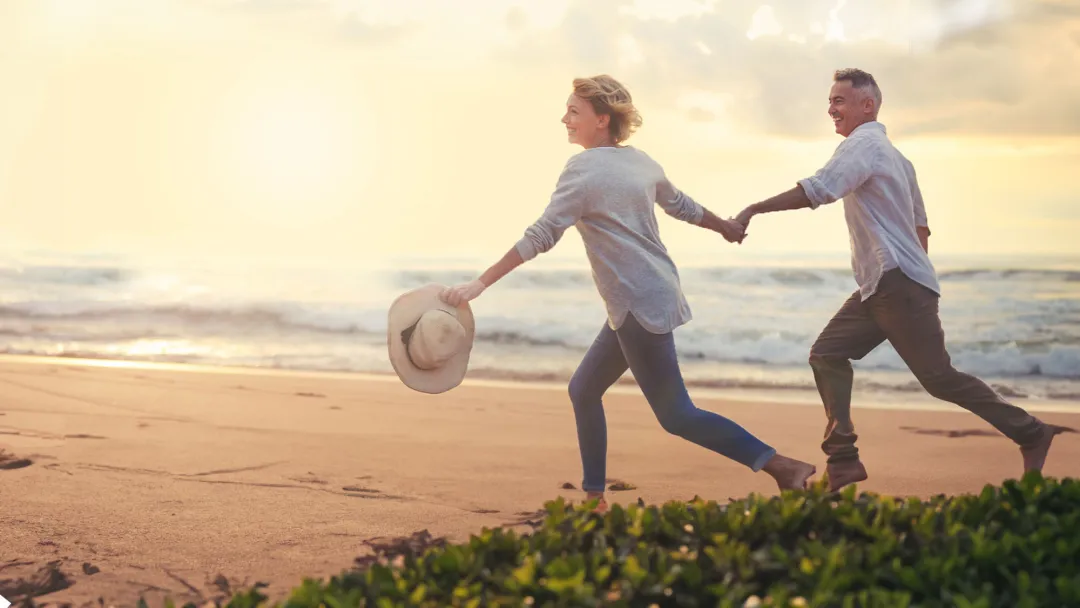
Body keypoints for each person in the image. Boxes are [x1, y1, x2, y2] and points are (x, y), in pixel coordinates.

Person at [439, 75, 816, 510]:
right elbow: (682, 205)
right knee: (584, 389)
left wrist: (480, 283)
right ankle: (594, 497)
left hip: (637, 303)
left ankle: (782, 467)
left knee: (677, 415)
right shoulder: (641, 162)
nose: (565, 119)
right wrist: (726, 228)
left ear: (602, 119)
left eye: (574, 111)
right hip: (647, 296)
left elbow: (543, 233)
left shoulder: (582, 170)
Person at [732, 68, 1056, 492]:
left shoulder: (863, 145)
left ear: (868, 105)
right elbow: (921, 230)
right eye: (830, 101)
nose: (831, 109)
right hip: (884, 284)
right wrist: (910, 276)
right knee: (827, 354)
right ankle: (843, 459)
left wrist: (753, 209)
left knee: (938, 378)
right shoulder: (899, 159)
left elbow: (819, 189)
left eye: (839, 101)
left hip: (895, 282)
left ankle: (1031, 431)